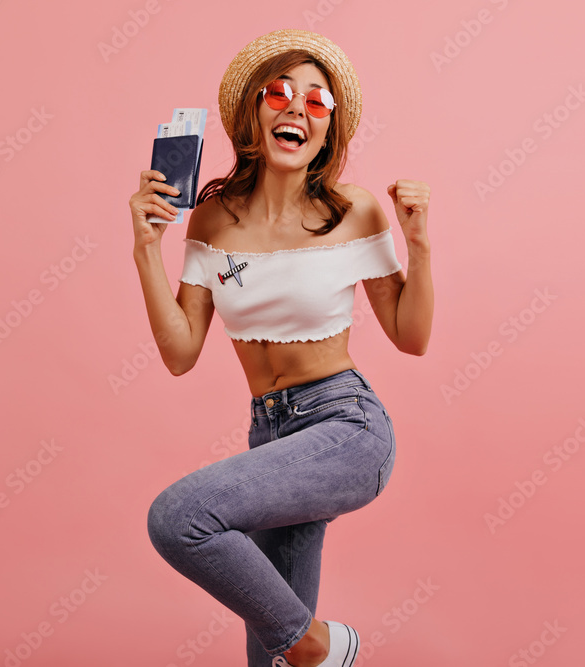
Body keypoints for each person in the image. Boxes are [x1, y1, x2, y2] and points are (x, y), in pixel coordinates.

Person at [130, 28, 434, 667]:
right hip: (270, 437)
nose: (297, 108)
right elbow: (181, 351)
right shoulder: (212, 218)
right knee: (267, 656)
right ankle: (306, 649)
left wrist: (420, 246)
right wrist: (145, 251)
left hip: (346, 427)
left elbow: (411, 337)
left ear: (328, 129)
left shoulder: (353, 211)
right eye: (280, 93)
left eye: (317, 102)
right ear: (254, 113)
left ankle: (321, 645)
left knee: (179, 517)